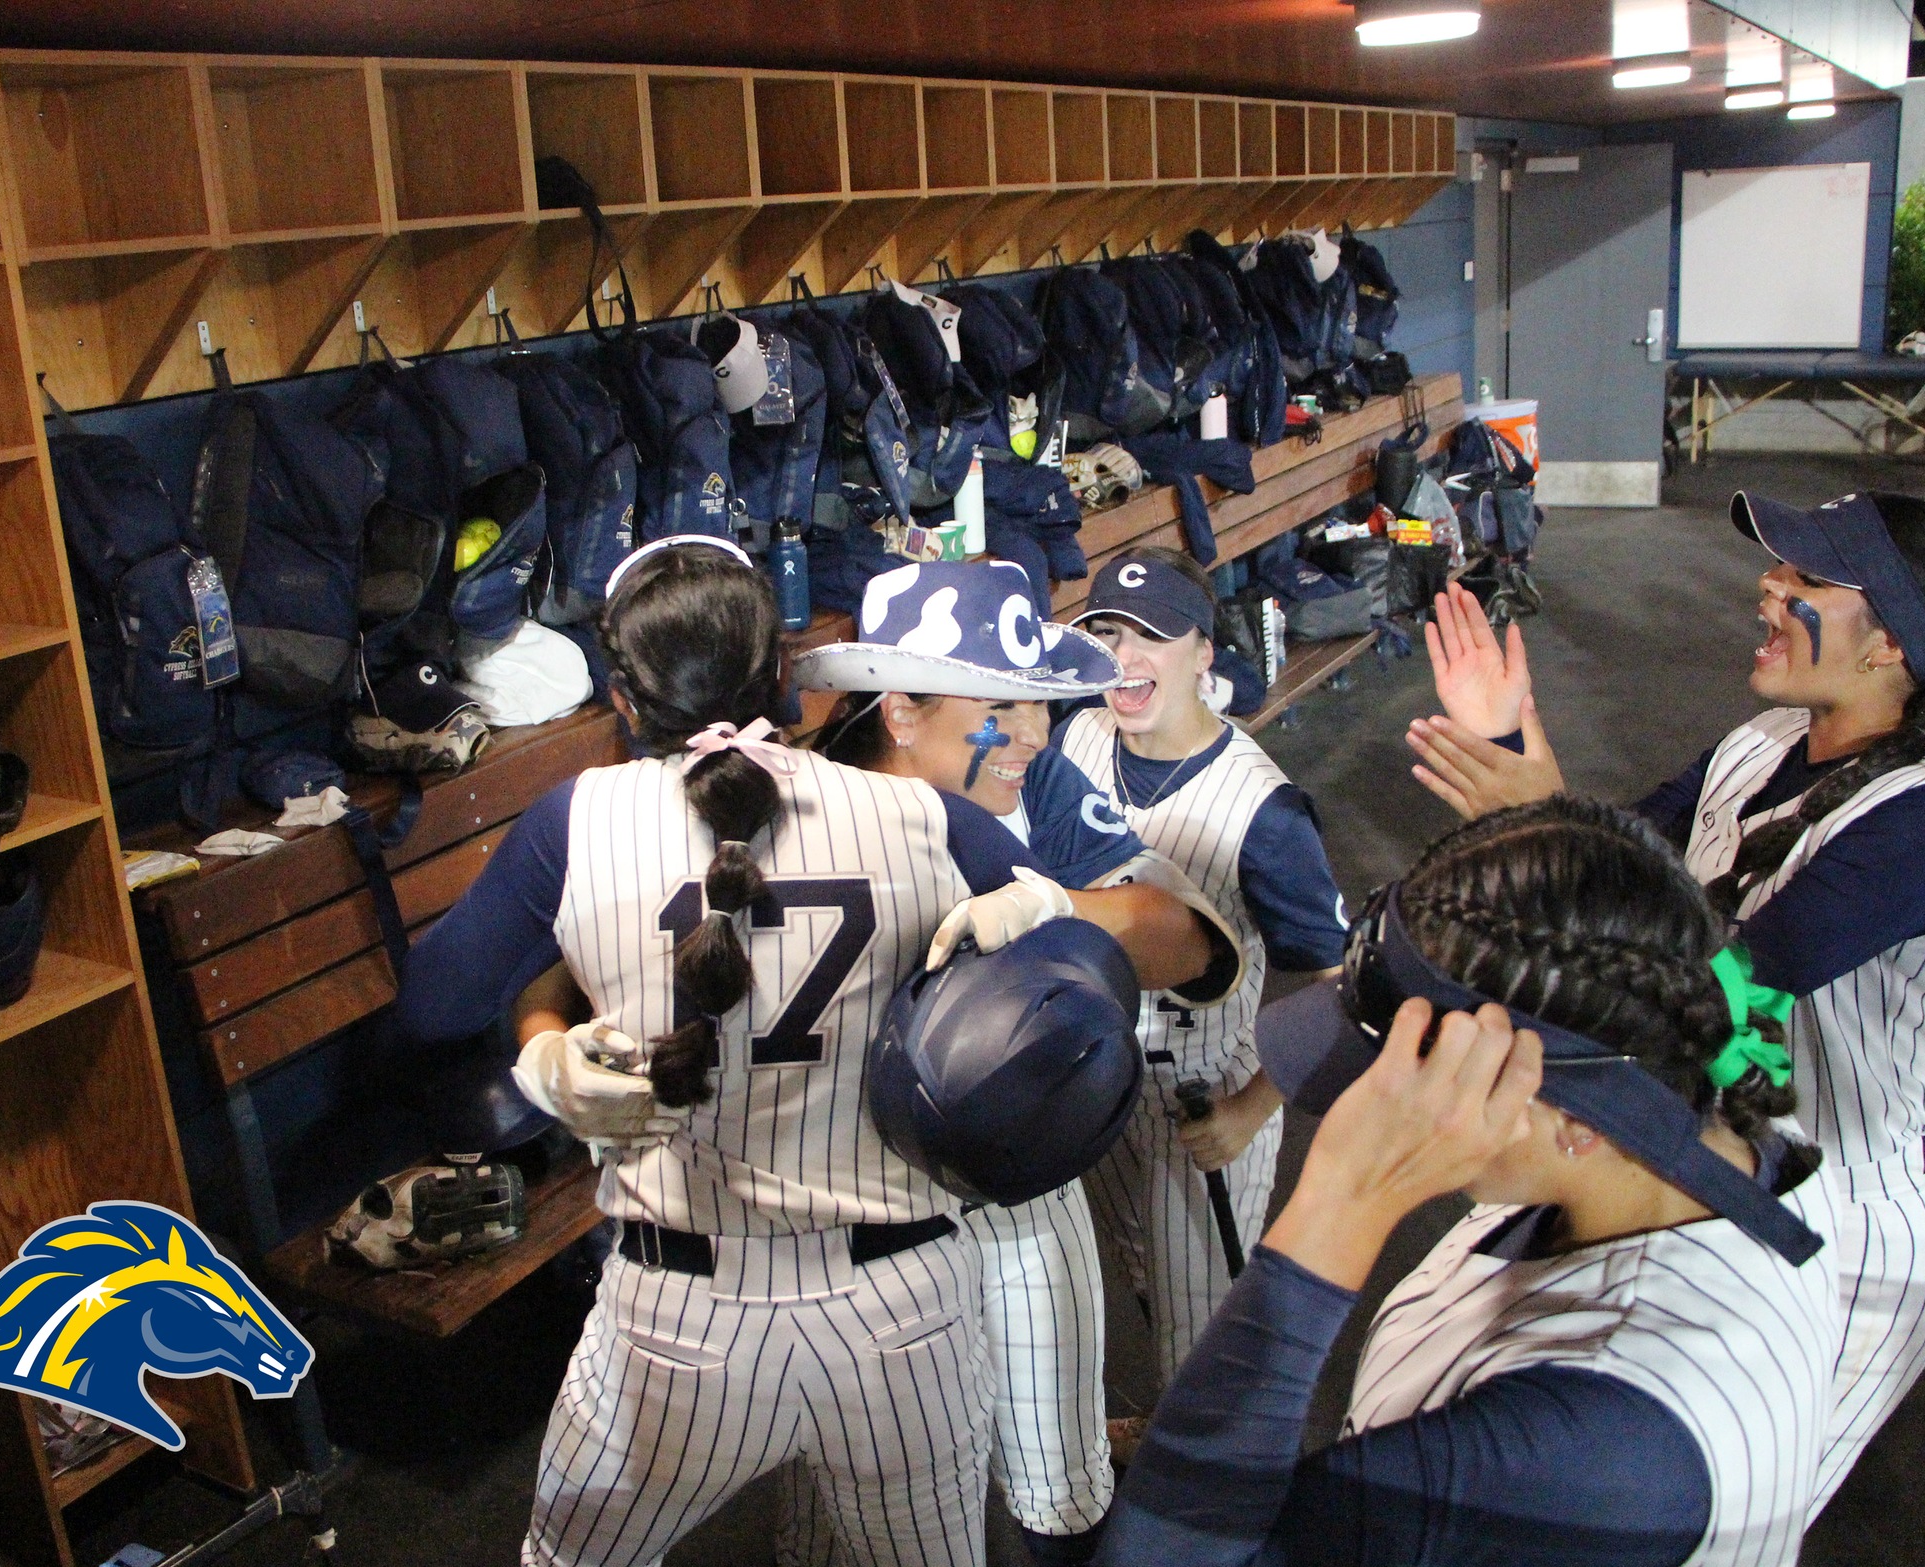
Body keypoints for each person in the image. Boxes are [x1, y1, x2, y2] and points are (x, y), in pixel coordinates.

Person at [393, 535, 1124, 1567]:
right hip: (900, 1306)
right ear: (782, 673)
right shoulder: (921, 813)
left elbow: (430, 1006)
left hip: (677, 1311)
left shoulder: (577, 819)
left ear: (621, 694)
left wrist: (544, 1041)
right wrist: (1032, 903)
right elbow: (1080, 950)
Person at [1402, 489, 1925, 1513]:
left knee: (1713, 1521)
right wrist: (1512, 752)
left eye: (1808, 579)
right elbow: (1616, 861)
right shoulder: (1758, 744)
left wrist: (1551, 819)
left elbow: (1722, 986)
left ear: (1889, 646)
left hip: (1854, 1225)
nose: (1769, 586)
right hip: (1708, 1158)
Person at [1099, 797, 1841, 1567]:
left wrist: (1334, 1211)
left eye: (1415, 1070)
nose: (1373, 1101)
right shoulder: (1691, 1141)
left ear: (1567, 1107)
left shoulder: (1595, 1445)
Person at [781, 558, 1244, 1567]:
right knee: (849, 1519)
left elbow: (1183, 936)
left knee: (1056, 1490)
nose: (1032, 732)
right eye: (1000, 706)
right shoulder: (785, 799)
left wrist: (1055, 905)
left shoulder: (1029, 784)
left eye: (1038, 704)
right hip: (841, 1218)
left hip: (1013, 1199)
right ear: (899, 711)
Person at [1061, 546, 1352, 1405]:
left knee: (1208, 1338)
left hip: (1200, 1099)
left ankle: (1219, 1503)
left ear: (1203, 652)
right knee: (1146, 1278)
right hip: (1094, 1080)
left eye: (1154, 636)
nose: (1125, 657)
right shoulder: (1073, 736)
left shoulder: (1262, 811)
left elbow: (1348, 984)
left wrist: (1252, 1107)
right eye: (1109, 632)